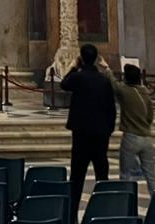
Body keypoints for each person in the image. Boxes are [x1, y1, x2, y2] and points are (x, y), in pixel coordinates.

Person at [62, 44, 117, 220]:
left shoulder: (78, 77)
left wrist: (73, 67)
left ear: (81, 59)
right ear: (96, 59)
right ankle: (105, 214)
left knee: (77, 178)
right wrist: (108, 131)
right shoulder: (104, 81)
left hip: (81, 136)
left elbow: (64, 84)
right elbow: (111, 110)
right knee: (102, 176)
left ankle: (71, 217)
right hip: (101, 135)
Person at [112, 63, 155, 196]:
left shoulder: (125, 91)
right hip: (147, 137)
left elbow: (113, 84)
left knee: (126, 174)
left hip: (131, 136)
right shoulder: (145, 92)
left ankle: (126, 200)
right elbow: (150, 116)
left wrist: (107, 69)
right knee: (151, 174)